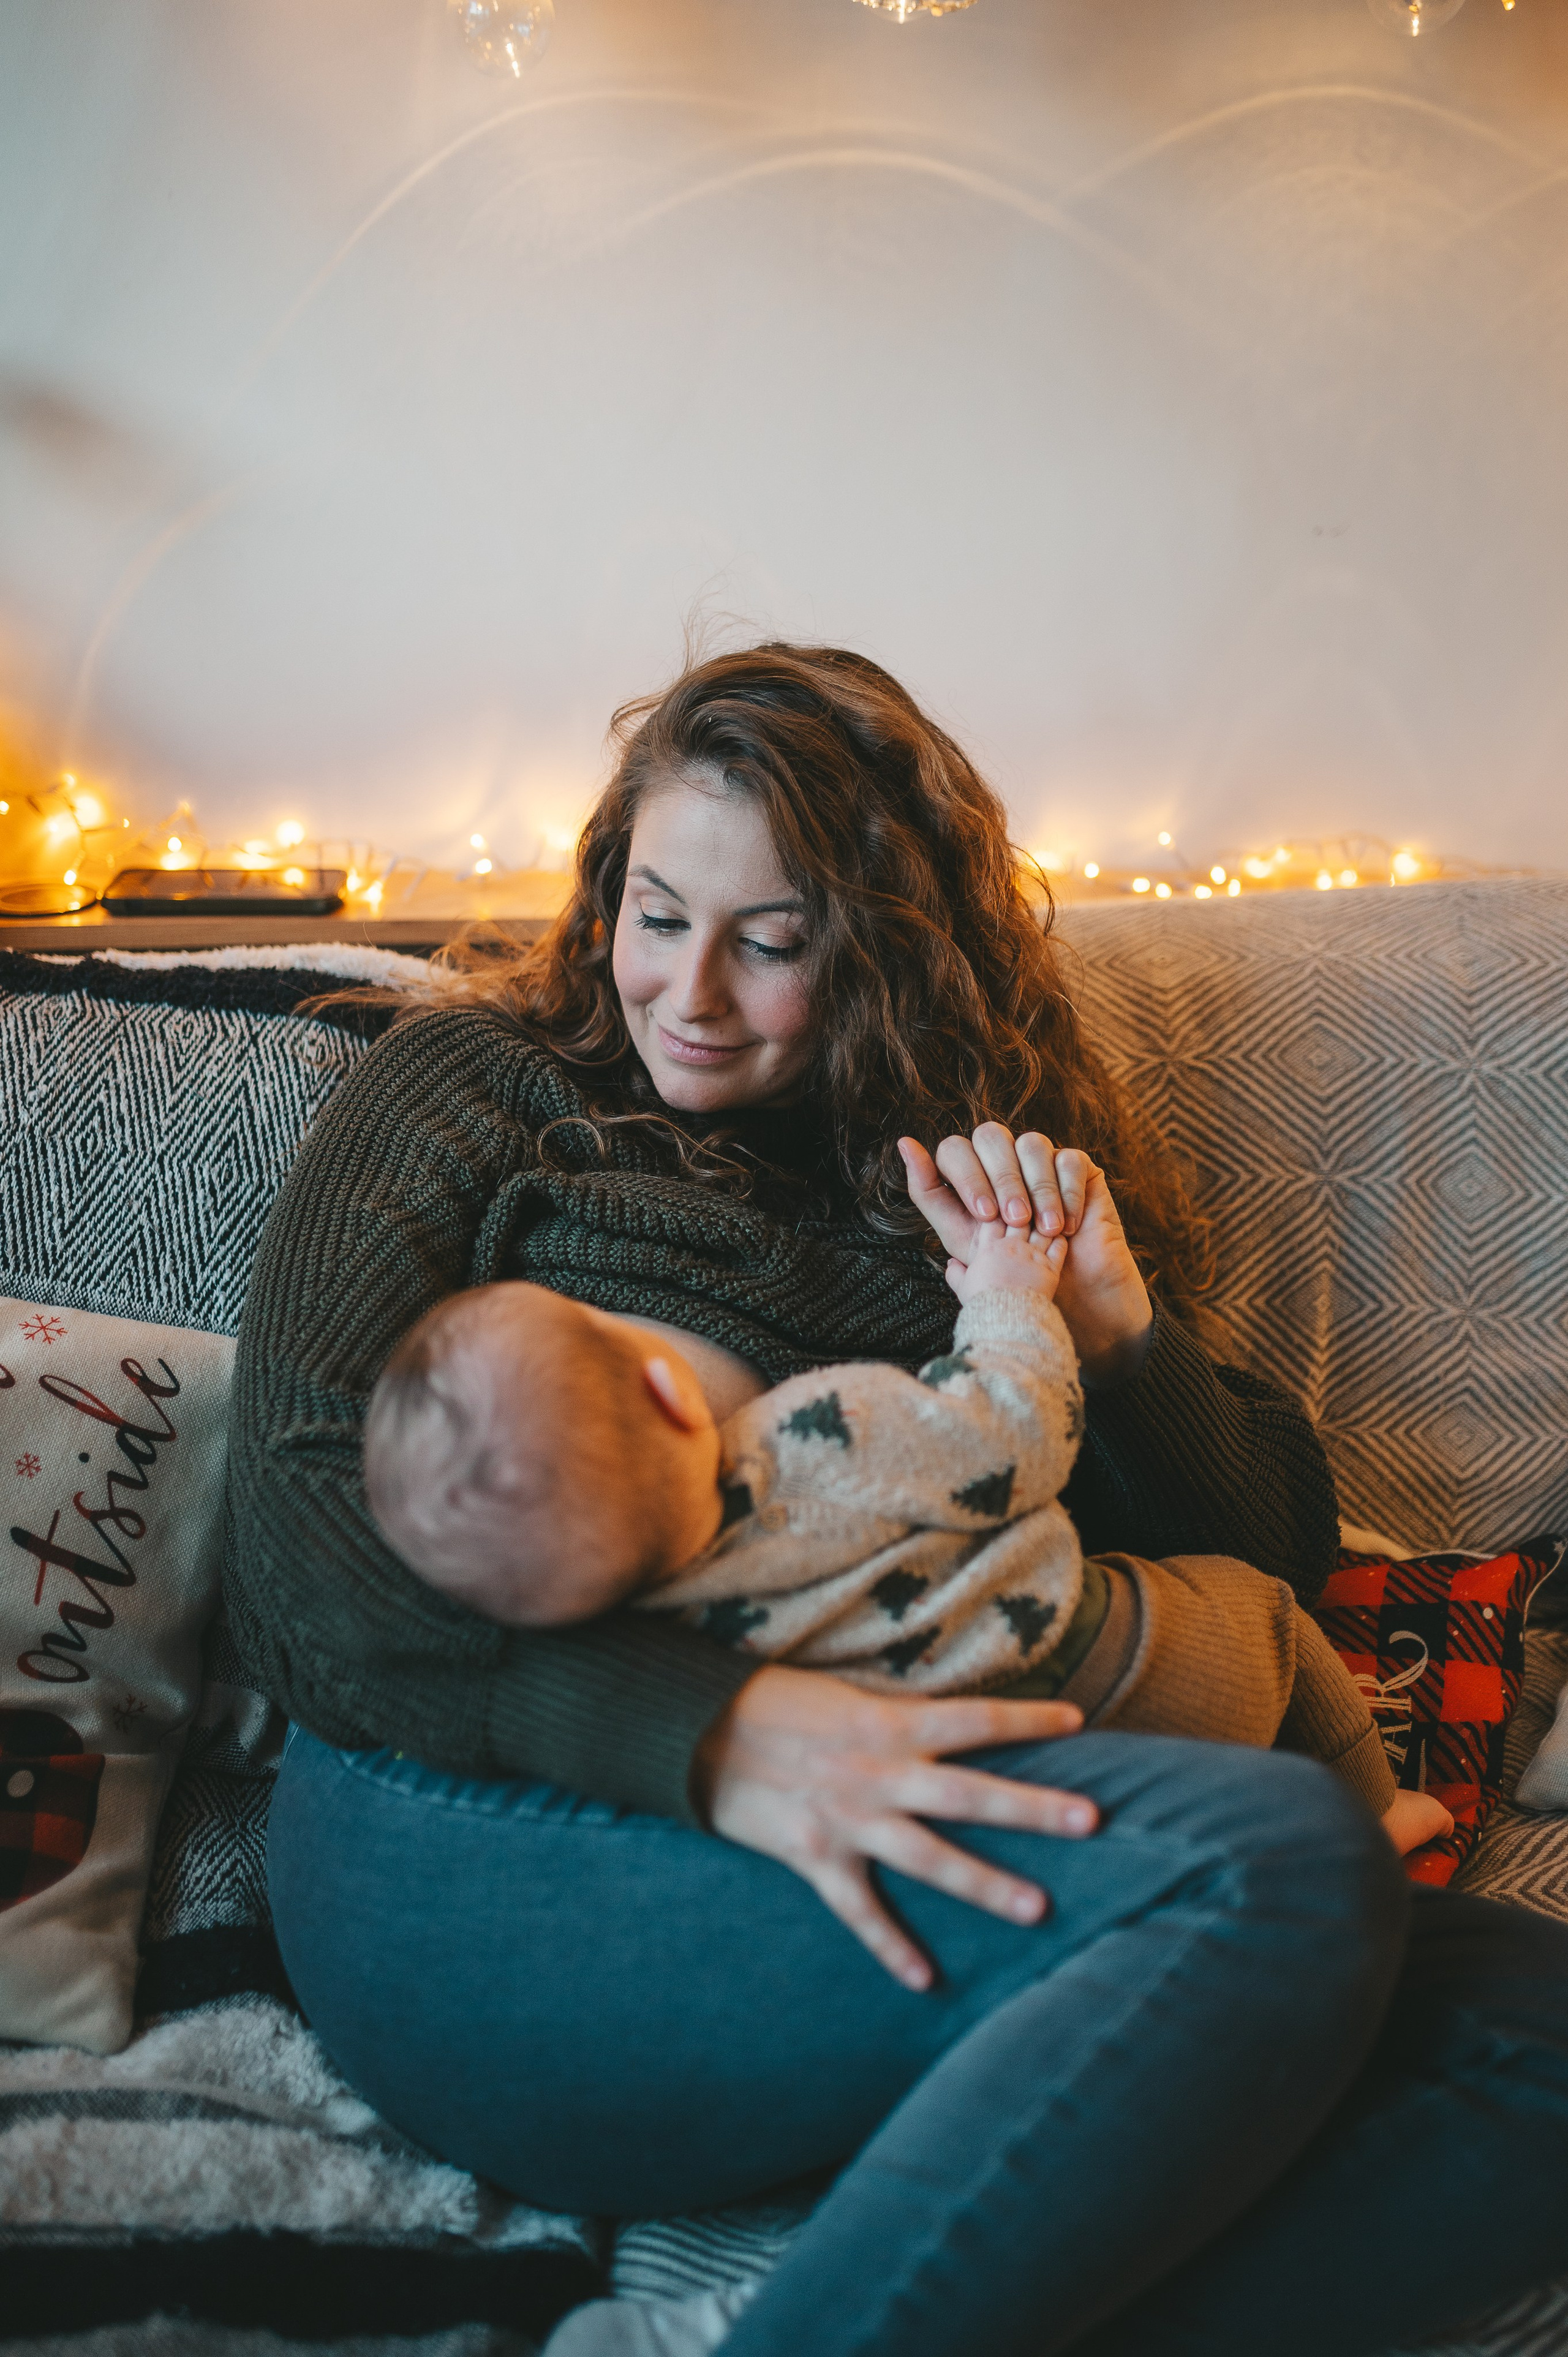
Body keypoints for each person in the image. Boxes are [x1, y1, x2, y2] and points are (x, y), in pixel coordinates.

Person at [230, 643, 1568, 2357]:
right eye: (656, 914)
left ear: (879, 950)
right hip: (478, 1839)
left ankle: (838, 2317)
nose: (688, 992)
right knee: (1283, 1856)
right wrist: (721, 1732)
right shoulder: (486, 1090)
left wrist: (1116, 1337)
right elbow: (293, 1543)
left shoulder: (977, 1189)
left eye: (770, 941)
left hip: (906, 1817)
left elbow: (1267, 1559)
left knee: (1535, 2041)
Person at [360, 1223, 1451, 1856]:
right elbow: (1015, 1431)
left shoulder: (653, 1624)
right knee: (1266, 1612)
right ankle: (1376, 1810)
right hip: (1112, 1659)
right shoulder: (819, 1434)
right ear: (670, 1387)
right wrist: (1009, 1301)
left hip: (981, 1772)